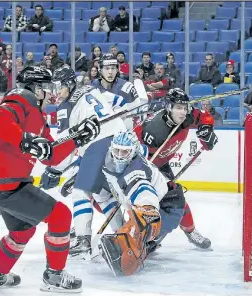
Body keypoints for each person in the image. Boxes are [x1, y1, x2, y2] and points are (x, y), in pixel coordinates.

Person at [0, 65, 101, 291]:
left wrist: (78, 137)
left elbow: (51, 156)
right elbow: (0, 120)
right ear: (35, 88)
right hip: (6, 182)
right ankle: (54, 277)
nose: (50, 92)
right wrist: (25, 140)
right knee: (61, 216)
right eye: (45, 87)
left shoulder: (38, 117)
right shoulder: (21, 99)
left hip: (2, 183)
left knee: (23, 230)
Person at [38, 66, 145, 258]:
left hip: (98, 145)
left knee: (80, 192)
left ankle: (82, 240)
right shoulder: (92, 89)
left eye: (58, 87)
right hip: (120, 140)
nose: (55, 93)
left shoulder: (66, 107)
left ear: (69, 84)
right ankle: (125, 232)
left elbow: (66, 142)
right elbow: (119, 103)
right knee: (103, 195)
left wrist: (54, 170)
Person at [73, 131, 167, 276]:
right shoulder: (108, 162)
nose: (119, 156)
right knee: (129, 224)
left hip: (165, 203)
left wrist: (147, 211)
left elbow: (144, 192)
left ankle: (142, 247)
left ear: (133, 152)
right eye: (116, 150)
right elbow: (105, 197)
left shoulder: (135, 169)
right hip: (135, 201)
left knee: (144, 231)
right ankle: (132, 239)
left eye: (124, 152)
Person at [134, 88, 217, 252]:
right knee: (151, 203)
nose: (183, 111)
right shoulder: (155, 130)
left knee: (176, 200)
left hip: (162, 164)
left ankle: (190, 231)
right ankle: (145, 236)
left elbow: (205, 118)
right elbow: (137, 156)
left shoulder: (187, 115)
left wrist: (206, 131)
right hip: (144, 167)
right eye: (178, 107)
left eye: (184, 107)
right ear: (168, 107)